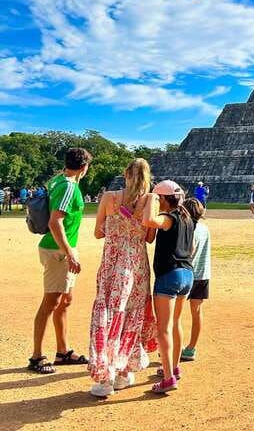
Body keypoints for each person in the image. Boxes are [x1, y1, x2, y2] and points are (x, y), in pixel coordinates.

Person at [87, 158, 159, 397]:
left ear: (125, 173)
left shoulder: (109, 198)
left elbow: (98, 232)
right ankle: (122, 372)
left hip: (112, 264)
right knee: (131, 316)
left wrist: (115, 228)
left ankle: (105, 378)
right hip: (137, 265)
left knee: (109, 315)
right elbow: (149, 237)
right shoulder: (150, 200)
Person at [27, 147, 93, 374]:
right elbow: (55, 222)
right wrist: (69, 252)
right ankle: (37, 356)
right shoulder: (68, 186)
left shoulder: (57, 180)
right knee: (51, 303)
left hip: (59, 248)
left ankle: (62, 351)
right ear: (84, 167)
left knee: (65, 301)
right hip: (58, 251)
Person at [143, 180, 195, 393]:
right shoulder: (187, 218)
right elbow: (191, 248)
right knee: (175, 324)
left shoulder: (169, 218)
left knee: (163, 328)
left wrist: (150, 200)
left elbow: (149, 221)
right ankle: (174, 366)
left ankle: (168, 378)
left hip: (169, 275)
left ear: (163, 199)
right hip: (187, 274)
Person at [180, 198, 211, 363]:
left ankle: (175, 347)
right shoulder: (204, 228)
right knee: (197, 312)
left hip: (187, 273)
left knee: (175, 314)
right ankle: (191, 348)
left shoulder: (187, 228)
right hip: (203, 274)